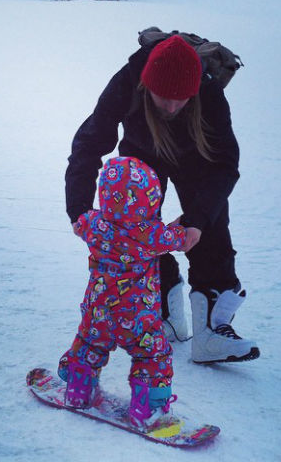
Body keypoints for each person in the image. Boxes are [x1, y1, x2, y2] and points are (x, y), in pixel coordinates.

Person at [65, 33, 259, 364]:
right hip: (142, 156)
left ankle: (211, 331)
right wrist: (80, 211)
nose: (170, 106)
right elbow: (89, 144)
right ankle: (165, 313)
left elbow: (226, 164)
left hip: (199, 159)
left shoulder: (209, 93)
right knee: (134, 231)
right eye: (162, 97)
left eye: (180, 99)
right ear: (146, 84)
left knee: (209, 226)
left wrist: (197, 219)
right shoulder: (127, 82)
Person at [58, 156, 186, 431]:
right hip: (139, 320)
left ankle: (79, 388)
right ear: (151, 198)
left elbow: (79, 223)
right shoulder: (151, 234)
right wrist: (183, 226)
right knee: (153, 355)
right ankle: (148, 406)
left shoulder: (94, 223)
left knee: (89, 345)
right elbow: (179, 238)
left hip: (98, 314)